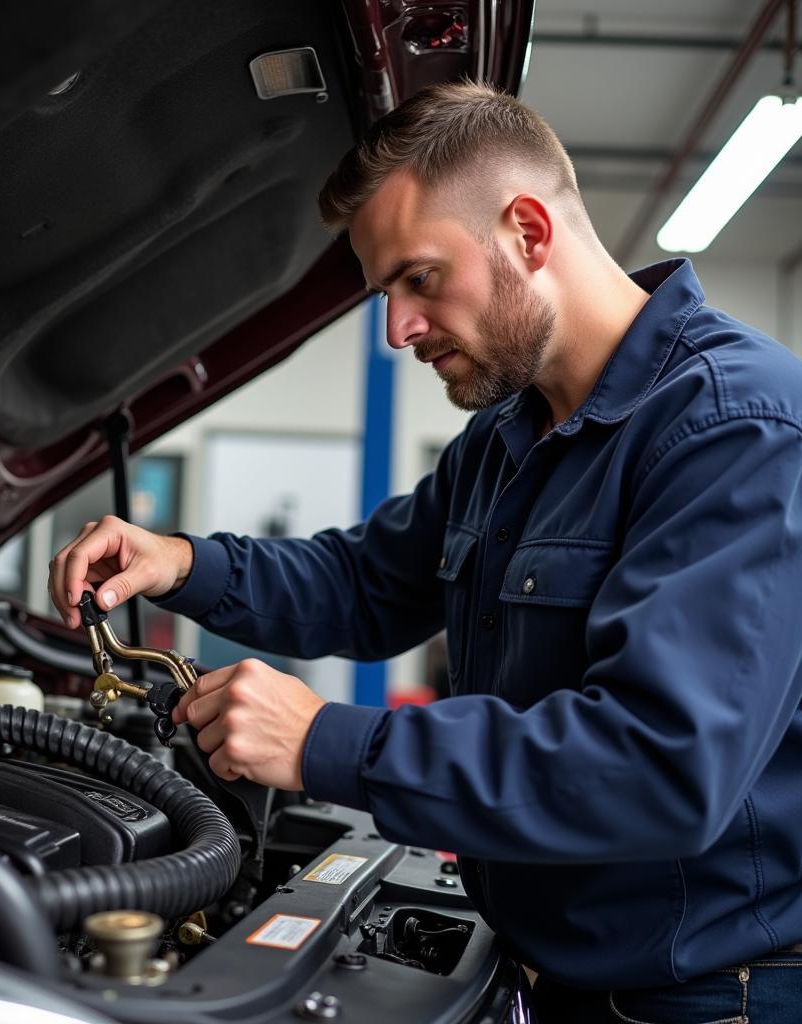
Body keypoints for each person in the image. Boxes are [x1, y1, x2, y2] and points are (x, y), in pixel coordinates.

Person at [49, 82, 802, 1021]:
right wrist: (182, 562)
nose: (398, 327)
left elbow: (660, 766)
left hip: (707, 1000)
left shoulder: (736, 428)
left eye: (420, 278)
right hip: (554, 973)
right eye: (384, 293)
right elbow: (364, 583)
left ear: (528, 231)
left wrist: (325, 741)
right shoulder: (503, 443)